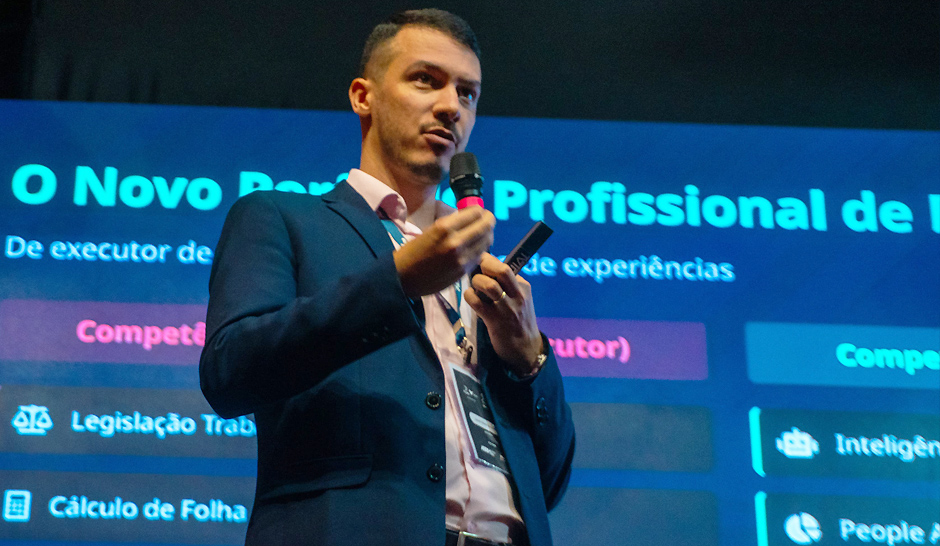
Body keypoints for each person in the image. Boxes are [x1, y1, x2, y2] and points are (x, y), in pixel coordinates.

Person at [199, 9, 575, 546]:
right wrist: (395, 281)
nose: (451, 106)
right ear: (363, 96)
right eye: (426, 80)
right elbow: (230, 373)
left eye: (467, 94)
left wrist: (527, 354)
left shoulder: (482, 270)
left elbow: (549, 487)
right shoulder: (280, 218)